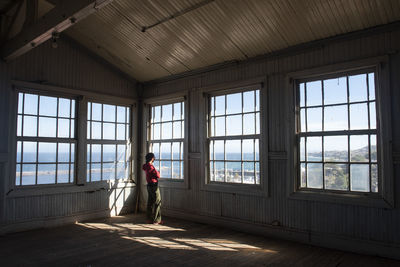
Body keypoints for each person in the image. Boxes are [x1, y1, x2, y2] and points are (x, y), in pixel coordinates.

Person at [142, 152, 162, 225]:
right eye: (154, 157)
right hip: (154, 186)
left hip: (149, 186)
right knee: (157, 202)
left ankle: (149, 219)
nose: (154, 158)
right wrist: (157, 171)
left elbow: (144, 168)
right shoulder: (151, 167)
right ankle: (157, 220)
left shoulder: (145, 166)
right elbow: (158, 175)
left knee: (150, 202)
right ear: (152, 158)